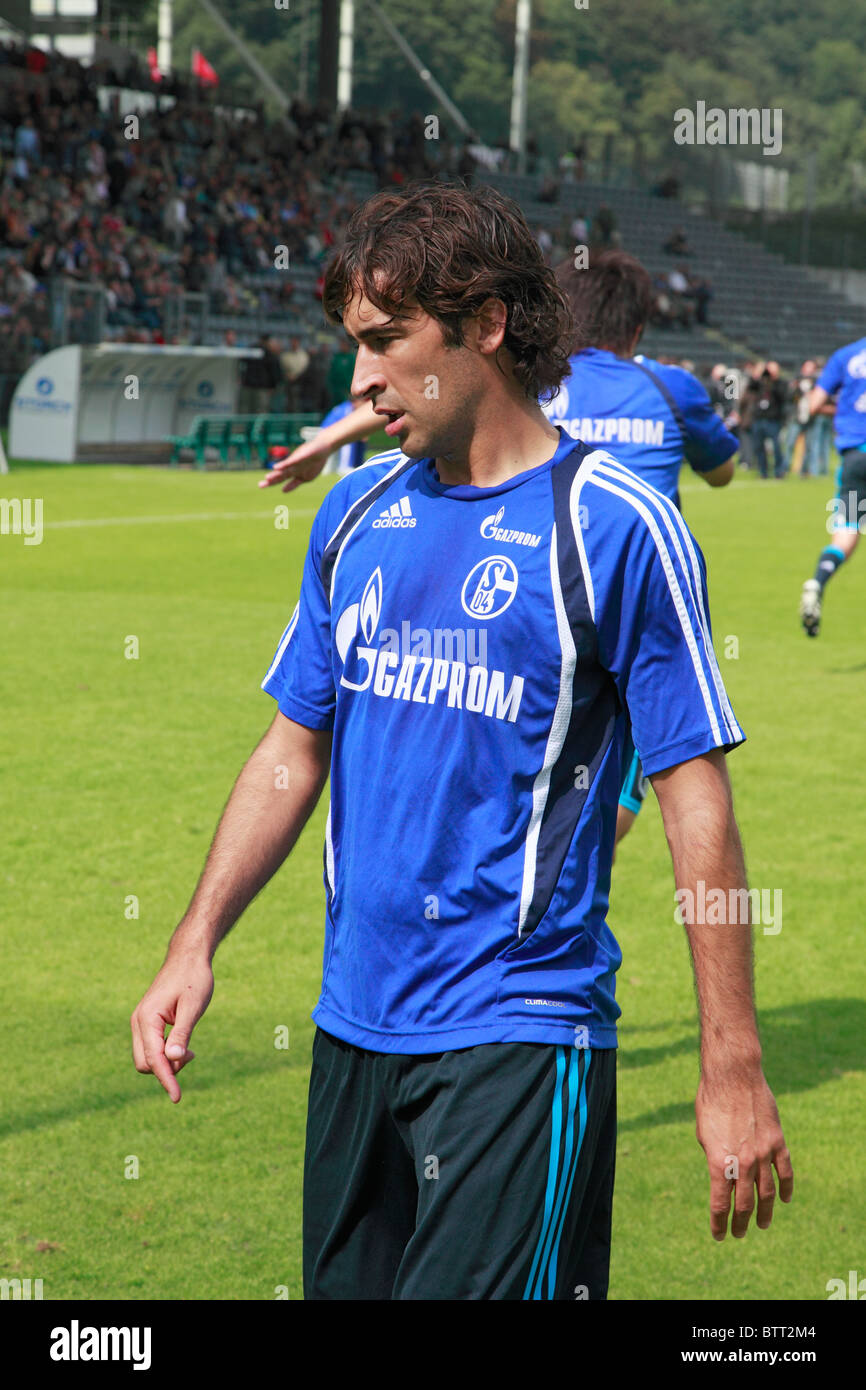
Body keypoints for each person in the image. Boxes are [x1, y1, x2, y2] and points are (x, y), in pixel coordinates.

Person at [133, 182, 792, 1301]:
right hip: (351, 1029)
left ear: (483, 324)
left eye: (387, 343)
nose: (358, 378)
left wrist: (729, 1059)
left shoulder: (613, 524)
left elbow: (692, 797)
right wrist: (194, 940)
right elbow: (292, 746)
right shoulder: (352, 517)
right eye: (354, 346)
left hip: (518, 1038)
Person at [799, 335, 865, 638]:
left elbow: (813, 405)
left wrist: (844, 412)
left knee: (847, 532)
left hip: (855, 459)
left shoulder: (844, 356)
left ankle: (818, 581)